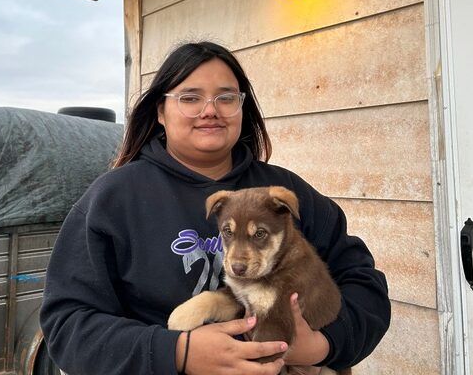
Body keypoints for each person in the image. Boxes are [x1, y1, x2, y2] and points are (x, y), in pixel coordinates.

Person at [40, 41, 390, 375]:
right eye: (190, 97)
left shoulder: (284, 196)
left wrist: (323, 345)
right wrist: (176, 353)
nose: (210, 110)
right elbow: (68, 325)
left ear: (242, 108)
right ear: (160, 111)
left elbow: (363, 283)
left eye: (226, 97)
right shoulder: (114, 198)